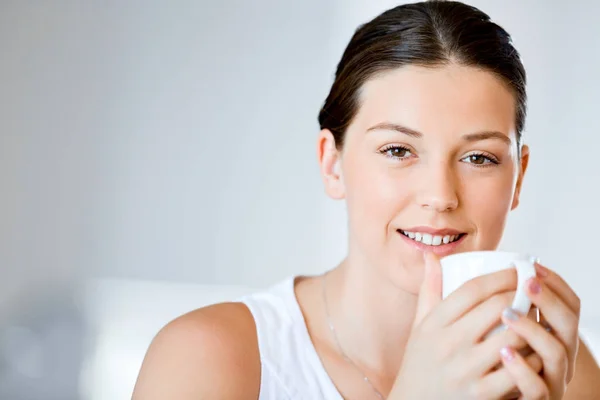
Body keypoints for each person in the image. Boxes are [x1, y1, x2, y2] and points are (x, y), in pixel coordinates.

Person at [132, 1, 600, 398]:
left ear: (518, 181)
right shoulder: (207, 359)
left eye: (479, 157)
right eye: (398, 150)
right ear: (332, 164)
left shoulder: (562, 370)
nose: (440, 196)